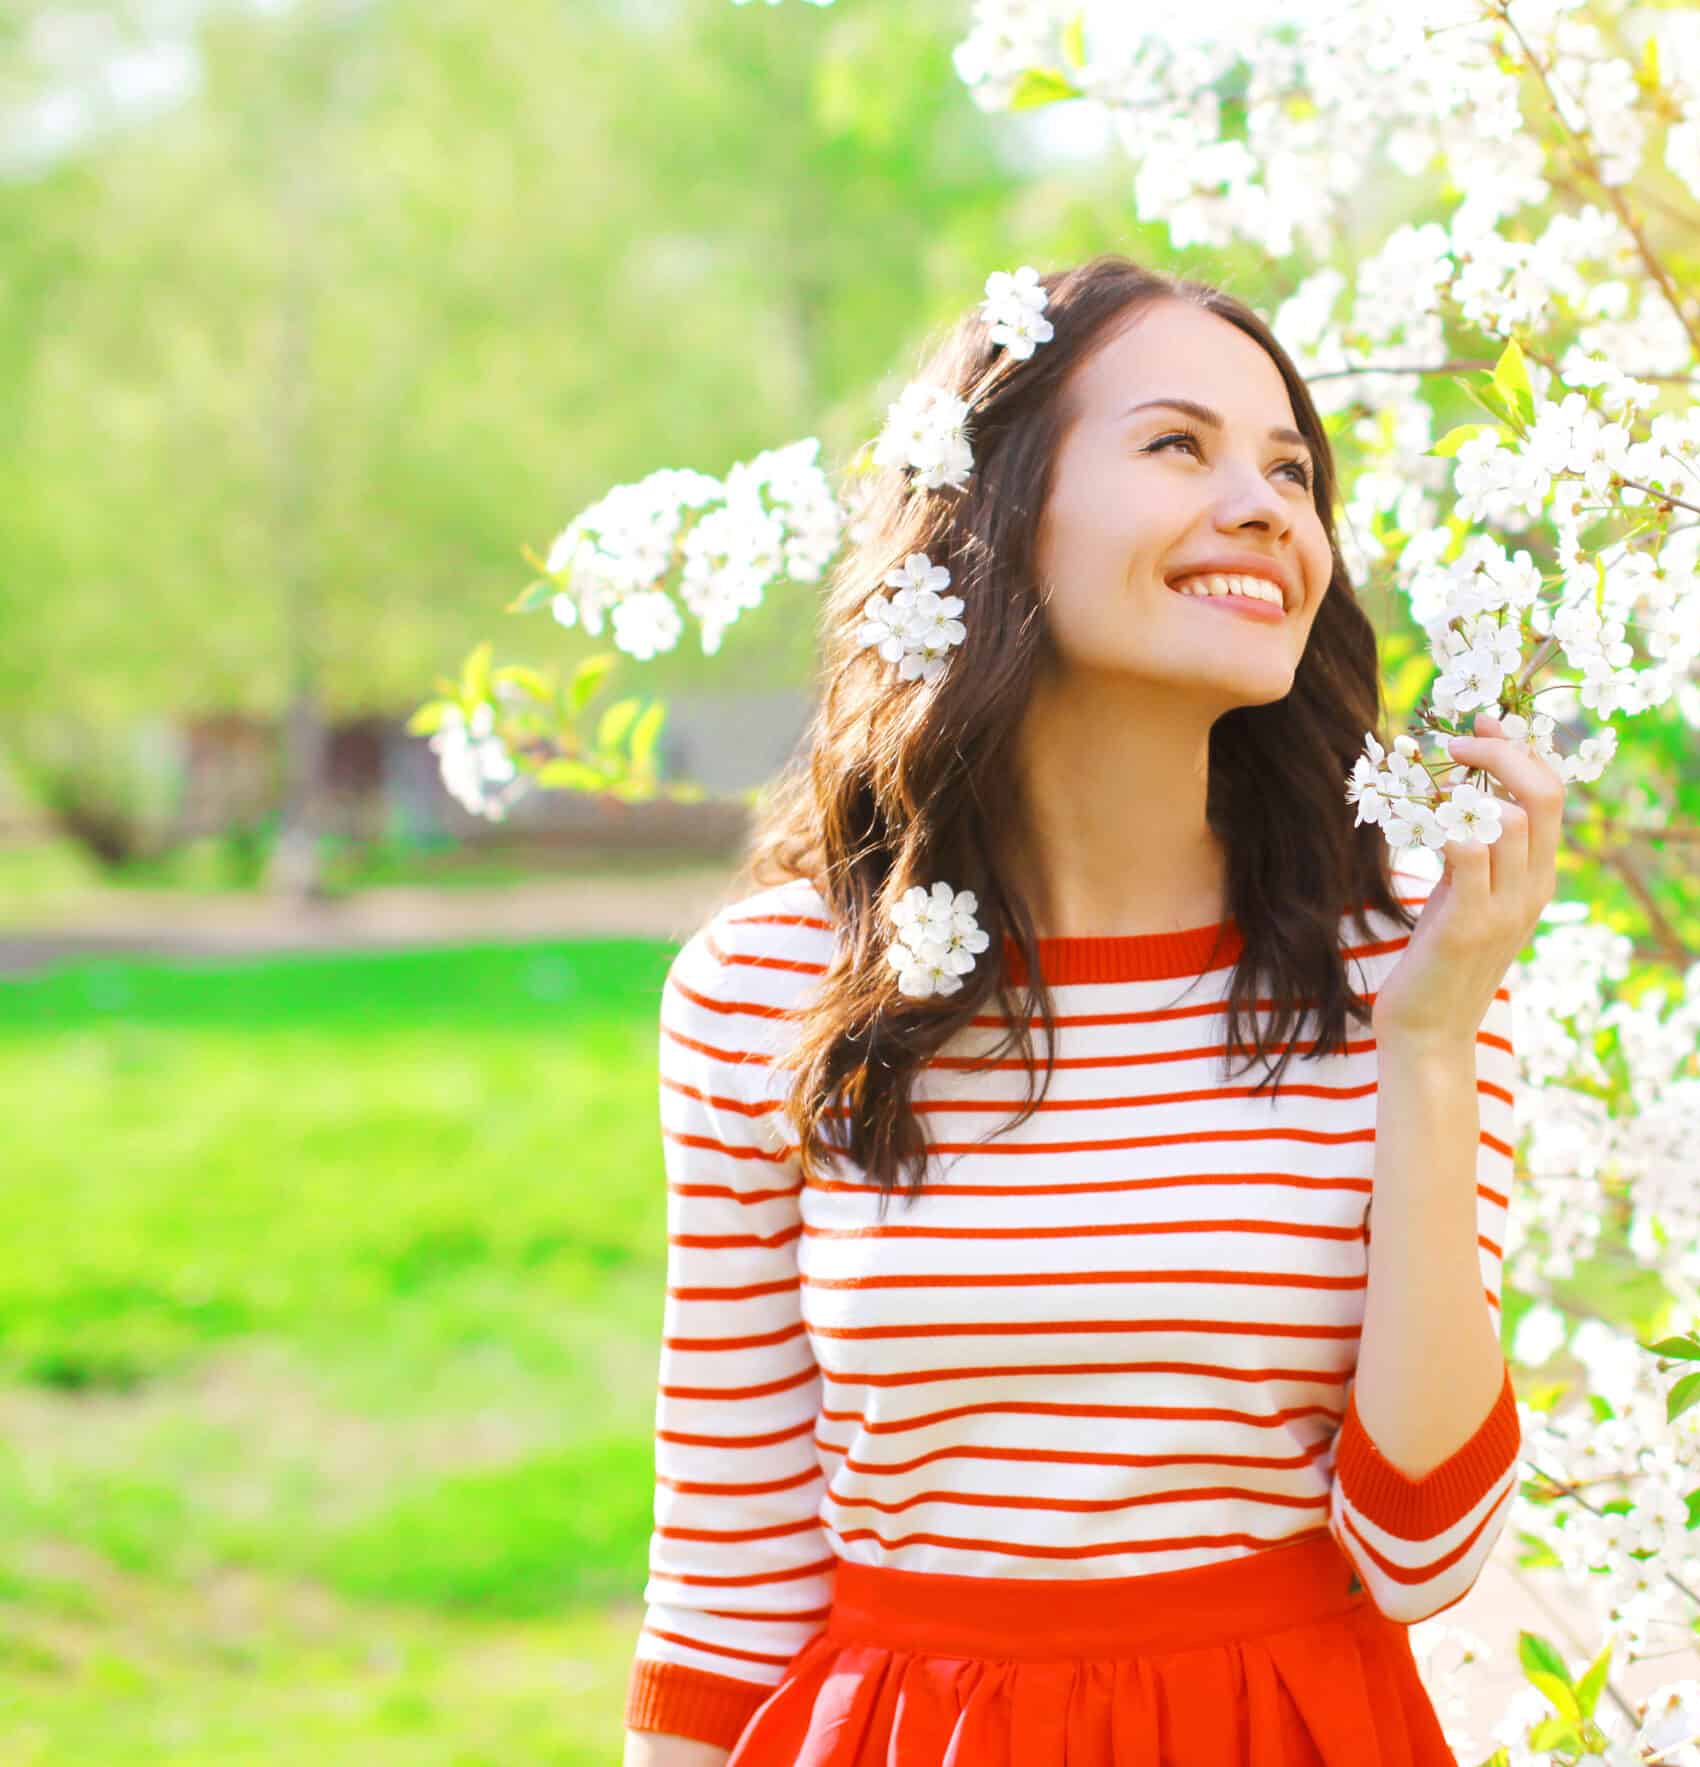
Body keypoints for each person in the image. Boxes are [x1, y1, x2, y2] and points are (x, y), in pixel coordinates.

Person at [621, 253, 1561, 1767]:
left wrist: (1434, 1044)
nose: (1263, 504)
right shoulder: (771, 989)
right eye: (1177, 445)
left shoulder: (1412, 963)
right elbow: (727, 1593)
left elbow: (1423, 1548)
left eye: (1291, 470)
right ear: (996, 510)